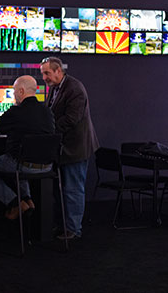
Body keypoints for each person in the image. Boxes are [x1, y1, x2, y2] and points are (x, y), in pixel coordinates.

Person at [0, 75, 55, 220]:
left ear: (21, 91)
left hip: (22, 164)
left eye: (14, 91)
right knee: (21, 161)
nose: (13, 95)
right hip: (47, 166)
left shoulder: (16, 111)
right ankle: (28, 200)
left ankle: (15, 203)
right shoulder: (48, 111)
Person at [40, 56, 99, 240]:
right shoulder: (57, 88)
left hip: (76, 148)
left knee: (73, 189)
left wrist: (48, 130)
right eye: (43, 74)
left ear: (58, 70)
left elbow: (71, 119)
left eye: (47, 73)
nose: (44, 78)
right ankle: (64, 226)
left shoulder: (74, 88)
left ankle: (73, 230)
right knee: (62, 190)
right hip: (64, 148)